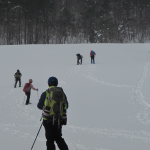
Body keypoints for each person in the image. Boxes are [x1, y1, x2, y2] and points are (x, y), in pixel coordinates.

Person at [37, 76, 69, 150]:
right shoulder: (62, 94)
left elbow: (39, 106)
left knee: (50, 140)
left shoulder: (45, 93)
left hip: (47, 119)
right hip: (58, 120)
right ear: (57, 84)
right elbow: (66, 106)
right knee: (58, 138)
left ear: (48, 84)